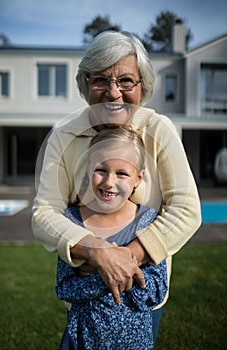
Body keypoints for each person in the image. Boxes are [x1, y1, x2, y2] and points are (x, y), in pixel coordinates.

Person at [32, 30, 201, 342]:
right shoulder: (63, 136)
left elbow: (186, 210)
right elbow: (44, 214)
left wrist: (126, 258)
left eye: (126, 81)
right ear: (86, 85)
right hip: (84, 298)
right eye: (100, 80)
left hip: (140, 290)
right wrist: (97, 252)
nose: (113, 92)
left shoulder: (159, 131)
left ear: (142, 87)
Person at [56, 127, 168, 350]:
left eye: (122, 174)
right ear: (88, 169)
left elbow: (156, 291)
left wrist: (98, 270)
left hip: (134, 344)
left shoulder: (148, 222)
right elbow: (65, 288)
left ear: (138, 178)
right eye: (101, 170)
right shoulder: (72, 221)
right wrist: (119, 270)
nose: (109, 182)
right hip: (81, 342)